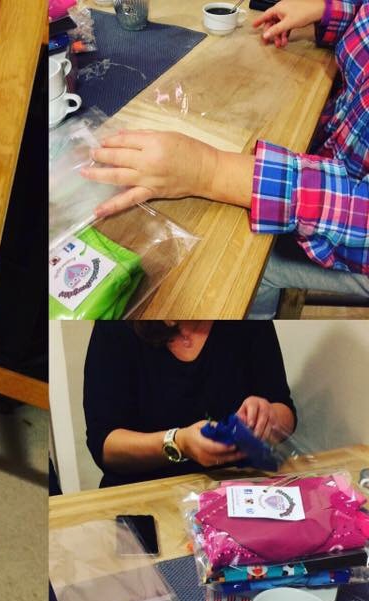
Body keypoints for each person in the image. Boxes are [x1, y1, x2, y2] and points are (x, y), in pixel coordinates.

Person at [79, 0, 369, 318]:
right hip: (330, 145)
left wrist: (209, 171)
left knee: (235, 270)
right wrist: (334, 13)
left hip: (352, 239)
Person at [83, 318, 297, 486]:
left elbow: (285, 411)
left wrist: (267, 418)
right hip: (143, 495)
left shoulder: (248, 319)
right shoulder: (115, 328)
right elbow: (105, 445)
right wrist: (179, 443)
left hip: (238, 490)